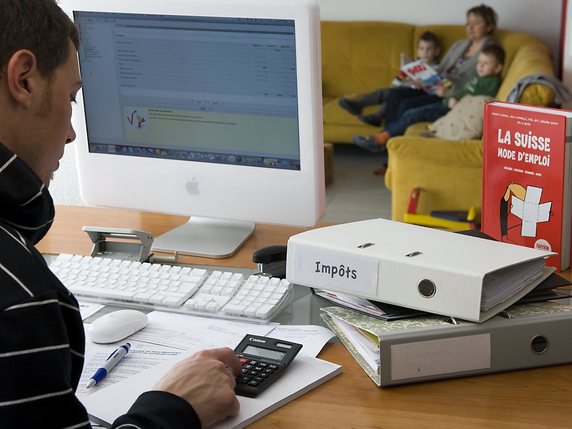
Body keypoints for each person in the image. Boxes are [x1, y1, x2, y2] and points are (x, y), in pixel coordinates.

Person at [0, 1, 241, 428]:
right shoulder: (21, 304)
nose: (73, 133)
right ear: (24, 79)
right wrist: (171, 407)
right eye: (71, 97)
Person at [353, 44, 505, 150]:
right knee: (404, 105)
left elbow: (479, 98)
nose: (480, 66)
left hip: (449, 109)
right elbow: (465, 92)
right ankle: (382, 137)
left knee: (412, 113)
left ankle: (382, 138)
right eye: (479, 62)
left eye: (485, 64)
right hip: (447, 102)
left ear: (497, 68)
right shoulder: (478, 77)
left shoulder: (492, 82)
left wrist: (456, 100)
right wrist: (453, 96)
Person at [338, 31, 442, 127]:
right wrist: (396, 83)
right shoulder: (412, 65)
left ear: (437, 51)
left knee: (393, 95)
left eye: (429, 49)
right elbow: (398, 80)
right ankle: (359, 104)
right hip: (404, 88)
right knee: (384, 92)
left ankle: (378, 116)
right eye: (421, 48)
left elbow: (437, 86)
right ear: (417, 51)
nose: (425, 52)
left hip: (419, 93)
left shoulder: (438, 67)